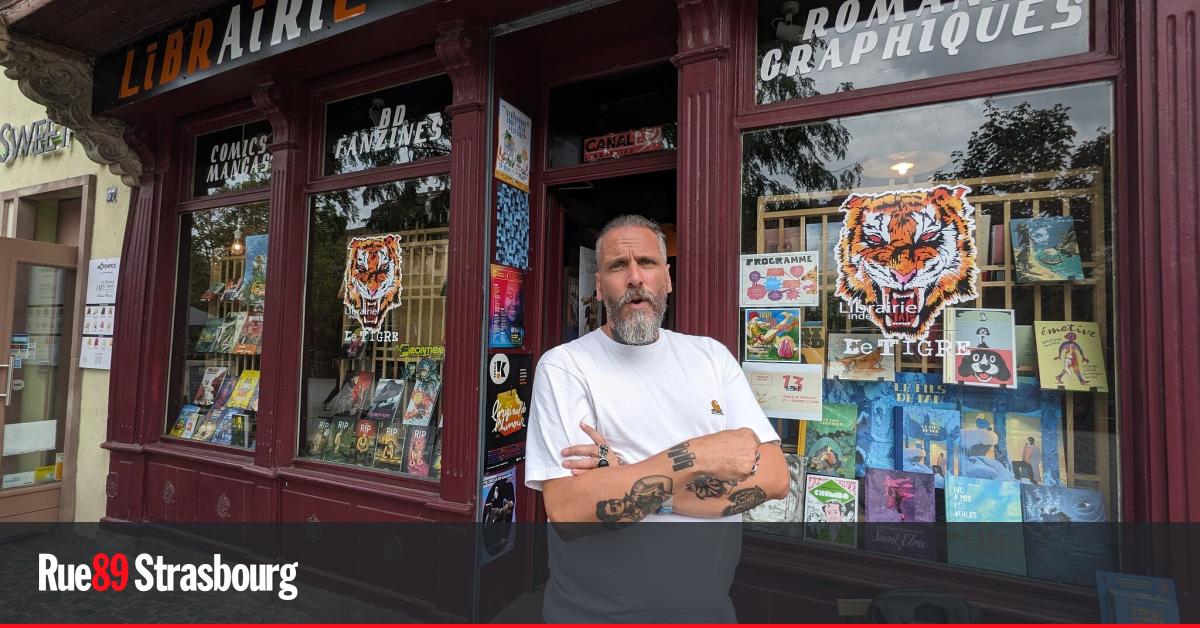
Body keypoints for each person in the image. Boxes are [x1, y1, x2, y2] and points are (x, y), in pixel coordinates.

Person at [525, 215, 788, 622]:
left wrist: (630, 479)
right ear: (598, 285)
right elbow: (570, 511)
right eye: (617, 266)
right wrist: (698, 455)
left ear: (667, 278)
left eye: (647, 262)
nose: (634, 278)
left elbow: (773, 478)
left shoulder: (712, 358)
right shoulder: (565, 367)